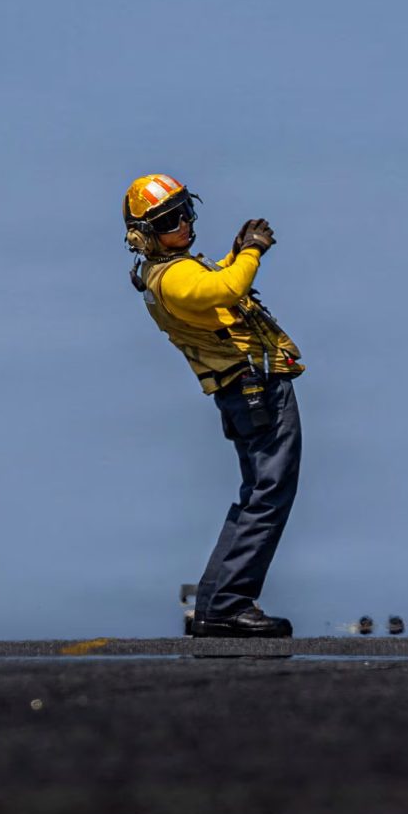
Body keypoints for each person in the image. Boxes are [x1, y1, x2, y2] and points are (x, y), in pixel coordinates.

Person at [125, 174, 302, 639]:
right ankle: (229, 604)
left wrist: (232, 252)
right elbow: (220, 292)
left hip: (242, 390)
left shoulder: (168, 270)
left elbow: (212, 283)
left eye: (184, 211)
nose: (183, 223)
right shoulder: (176, 276)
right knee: (270, 493)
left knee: (256, 493)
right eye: (168, 219)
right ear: (144, 235)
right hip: (255, 388)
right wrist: (252, 251)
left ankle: (215, 604)